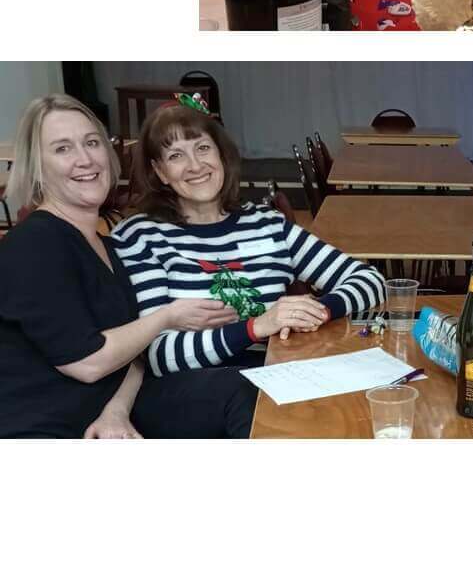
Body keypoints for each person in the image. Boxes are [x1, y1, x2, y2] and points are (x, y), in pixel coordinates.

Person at [0, 96, 255, 438]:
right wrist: (167, 316)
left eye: (92, 143)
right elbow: (87, 363)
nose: (85, 159)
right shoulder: (35, 244)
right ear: (37, 167)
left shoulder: (110, 245)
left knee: (242, 388)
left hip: (112, 412)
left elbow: (135, 352)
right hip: (48, 428)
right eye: (63, 149)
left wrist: (116, 411)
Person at [111, 99, 385, 375]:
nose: (195, 165)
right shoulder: (141, 237)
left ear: (221, 155)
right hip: (198, 392)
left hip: (281, 374)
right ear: (160, 172)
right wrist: (256, 327)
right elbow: (160, 356)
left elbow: (370, 281)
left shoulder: (267, 224)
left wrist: (319, 310)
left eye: (203, 148)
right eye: (176, 156)